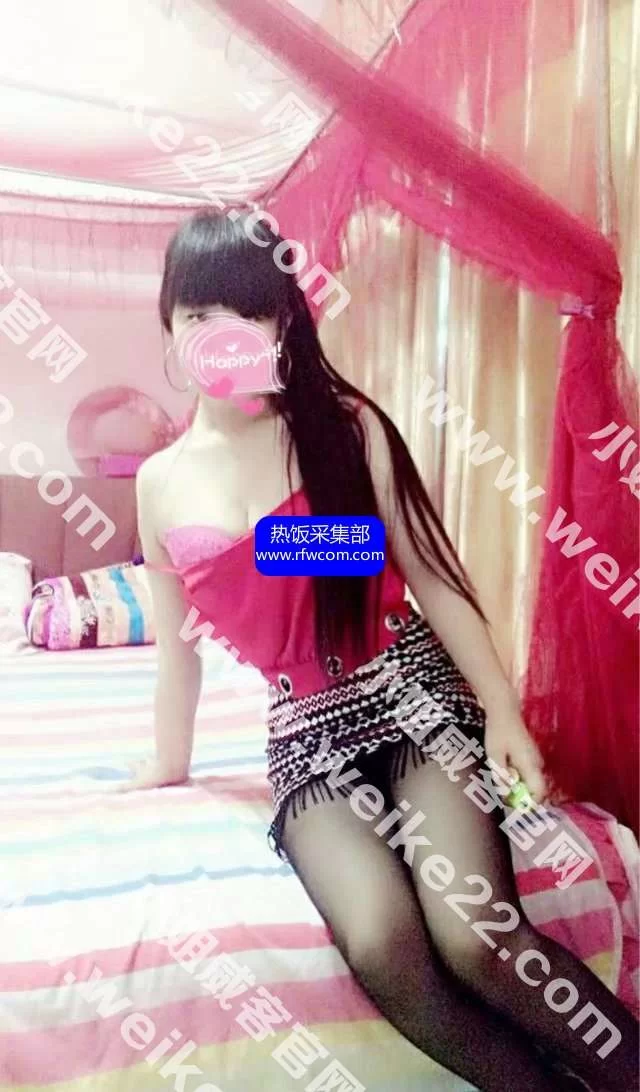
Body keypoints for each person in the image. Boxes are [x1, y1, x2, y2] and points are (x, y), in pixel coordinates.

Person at [120, 209, 639, 1092]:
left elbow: (430, 576)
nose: (222, 333)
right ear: (169, 323)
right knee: (382, 943)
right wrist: (168, 761)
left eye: (249, 311)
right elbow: (180, 652)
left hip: (414, 698)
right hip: (305, 736)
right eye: (200, 313)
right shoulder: (157, 483)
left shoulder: (345, 428)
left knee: (475, 937)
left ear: (283, 323)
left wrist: (502, 712)